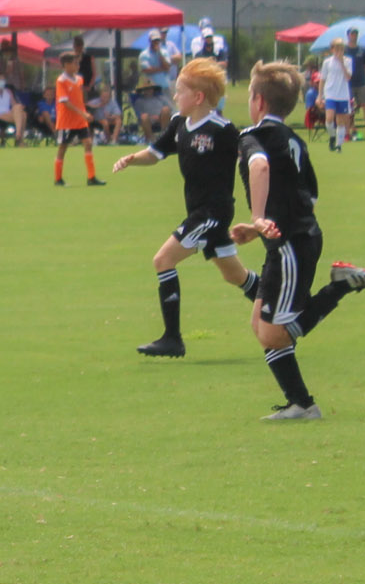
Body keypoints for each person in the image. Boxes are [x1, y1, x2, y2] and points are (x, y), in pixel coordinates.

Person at [229, 61, 365, 421]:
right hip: (296, 239)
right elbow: (308, 196)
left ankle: (341, 287)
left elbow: (259, 167)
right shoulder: (294, 140)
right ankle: (300, 404)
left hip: (290, 246)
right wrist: (258, 228)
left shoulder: (253, 137)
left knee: (274, 333)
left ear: (258, 101)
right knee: (261, 325)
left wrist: (258, 217)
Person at [112, 59, 262, 359]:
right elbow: (155, 153)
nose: (175, 96)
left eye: (180, 91)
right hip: (199, 212)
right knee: (235, 276)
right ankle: (280, 302)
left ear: (198, 97)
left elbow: (251, 157)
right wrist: (132, 159)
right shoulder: (179, 124)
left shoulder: (223, 130)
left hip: (212, 214)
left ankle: (172, 339)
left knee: (163, 260)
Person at [52, 51, 103, 187]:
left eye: (78, 63)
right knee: (63, 147)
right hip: (67, 121)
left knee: (88, 143)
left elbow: (78, 99)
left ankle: (91, 177)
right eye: (75, 63)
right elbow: (65, 102)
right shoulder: (61, 81)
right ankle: (58, 179)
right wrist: (83, 113)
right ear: (66, 65)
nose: (78, 66)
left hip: (80, 120)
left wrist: (85, 111)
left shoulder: (79, 79)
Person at [135, 29, 176, 142]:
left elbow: (167, 67)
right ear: (150, 41)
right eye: (154, 41)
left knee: (168, 110)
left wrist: (160, 55)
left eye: (157, 40)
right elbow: (146, 70)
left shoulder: (164, 52)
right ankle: (151, 138)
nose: (156, 43)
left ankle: (164, 136)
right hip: (150, 86)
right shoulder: (144, 54)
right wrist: (161, 68)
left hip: (164, 87)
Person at [318, 38, 354, 151]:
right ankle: (332, 136)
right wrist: (320, 96)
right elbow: (322, 79)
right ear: (332, 50)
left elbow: (348, 77)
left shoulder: (348, 61)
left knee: (340, 121)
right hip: (330, 93)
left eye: (341, 49)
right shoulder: (327, 62)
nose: (339, 51)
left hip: (342, 94)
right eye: (337, 49)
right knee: (329, 119)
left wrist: (342, 63)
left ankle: (339, 145)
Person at [343, 28, 365, 139]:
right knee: (350, 108)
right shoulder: (344, 50)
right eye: (352, 34)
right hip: (348, 83)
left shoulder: (362, 51)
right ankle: (353, 129)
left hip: (361, 82)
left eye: (355, 34)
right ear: (348, 35)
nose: (354, 36)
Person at [0, 75, 25, 145]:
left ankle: (18, 134)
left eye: (3, 79)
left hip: (8, 113)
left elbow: (14, 104)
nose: (2, 81)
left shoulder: (8, 91)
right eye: (0, 79)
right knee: (22, 115)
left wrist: (20, 107)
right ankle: (20, 140)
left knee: (22, 112)